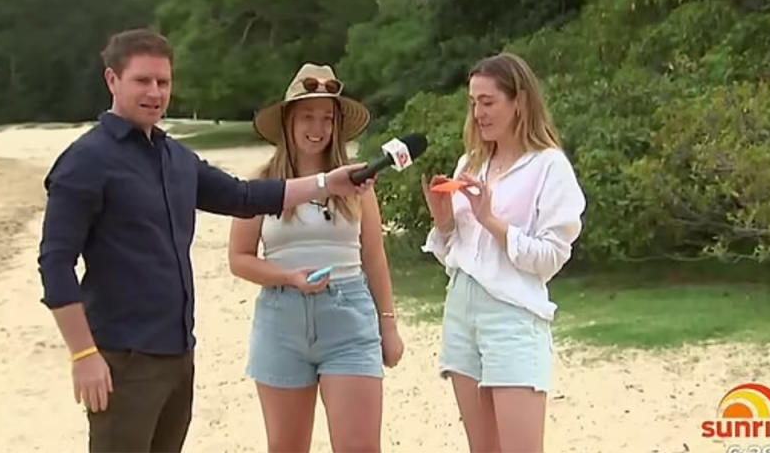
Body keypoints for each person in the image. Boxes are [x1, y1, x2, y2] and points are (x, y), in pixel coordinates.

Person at [37, 30, 373, 453]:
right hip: (121, 358)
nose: (155, 92)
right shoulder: (86, 161)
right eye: (142, 81)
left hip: (177, 354)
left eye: (163, 81)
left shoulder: (174, 158)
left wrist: (326, 182)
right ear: (112, 80)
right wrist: (83, 354)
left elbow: (244, 197)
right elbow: (55, 262)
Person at [228, 63, 404, 453]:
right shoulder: (262, 184)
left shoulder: (357, 183)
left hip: (348, 318)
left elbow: (374, 258)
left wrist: (388, 326)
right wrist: (288, 278)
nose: (317, 127)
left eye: (327, 118)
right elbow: (240, 258)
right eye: (308, 116)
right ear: (289, 121)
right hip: (282, 320)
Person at [421, 52, 586, 453]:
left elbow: (550, 258)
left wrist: (491, 220)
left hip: (512, 315)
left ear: (520, 102)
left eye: (488, 101)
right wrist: (443, 221)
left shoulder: (549, 167)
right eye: (473, 102)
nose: (478, 112)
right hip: (461, 309)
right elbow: (456, 254)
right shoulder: (470, 164)